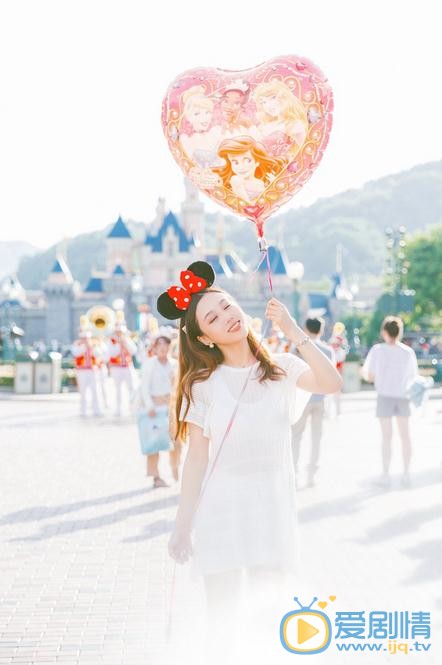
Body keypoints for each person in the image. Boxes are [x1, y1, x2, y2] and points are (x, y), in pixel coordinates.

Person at [156, 260, 342, 663]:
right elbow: (196, 461)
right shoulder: (202, 386)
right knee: (221, 623)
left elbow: (331, 382)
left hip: (272, 511)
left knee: (269, 619)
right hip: (220, 516)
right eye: (213, 317)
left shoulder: (281, 369)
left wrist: (292, 331)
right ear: (203, 337)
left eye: (227, 306)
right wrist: (182, 526)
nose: (227, 317)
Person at [362, 316, 419, 489]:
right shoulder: (407, 352)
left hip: (385, 396)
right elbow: (412, 377)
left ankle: (386, 475)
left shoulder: (377, 350)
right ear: (400, 332)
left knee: (386, 438)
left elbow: (369, 376)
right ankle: (406, 474)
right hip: (403, 396)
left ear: (384, 332)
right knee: (405, 437)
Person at [290, 317, 336, 487]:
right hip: (320, 399)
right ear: (321, 330)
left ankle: (294, 473)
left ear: (306, 329)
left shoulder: (298, 349)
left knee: (296, 436)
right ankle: (312, 475)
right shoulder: (328, 350)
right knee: (317, 437)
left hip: (302, 398)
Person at [138, 334, 181, 488]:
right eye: (159, 345)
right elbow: (144, 387)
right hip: (155, 407)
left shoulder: (175, 364)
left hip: (172, 407)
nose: (163, 348)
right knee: (154, 443)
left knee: (177, 441)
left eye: (166, 345)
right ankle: (156, 476)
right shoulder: (150, 364)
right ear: (155, 348)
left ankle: (175, 467)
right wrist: (149, 405)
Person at [71, 316, 104, 417]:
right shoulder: (77, 344)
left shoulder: (94, 343)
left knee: (95, 391)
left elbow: (99, 354)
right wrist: (84, 346)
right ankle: (83, 411)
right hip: (82, 371)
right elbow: (76, 353)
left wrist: (91, 346)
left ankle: (97, 410)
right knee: (83, 392)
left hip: (93, 370)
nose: (85, 338)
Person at [107, 311, 138, 417]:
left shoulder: (127, 338)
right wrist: (118, 344)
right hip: (116, 368)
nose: (119, 332)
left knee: (132, 387)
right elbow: (111, 353)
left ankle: (132, 408)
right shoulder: (111, 341)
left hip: (127, 366)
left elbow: (134, 350)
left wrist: (125, 342)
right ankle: (118, 409)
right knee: (118, 389)